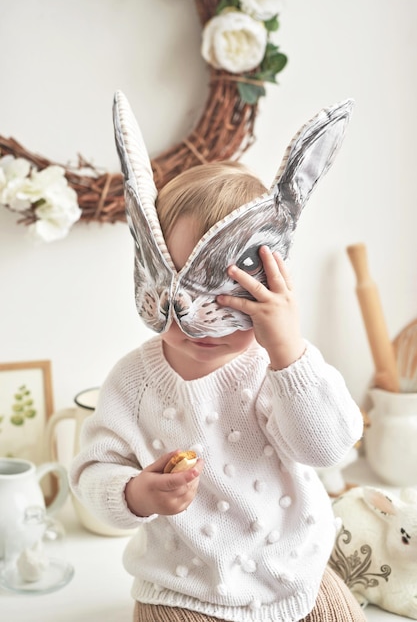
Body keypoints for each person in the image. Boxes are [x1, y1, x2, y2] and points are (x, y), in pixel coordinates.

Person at [70, 159, 366, 622]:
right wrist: (134, 494)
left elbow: (328, 448)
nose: (201, 323)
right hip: (181, 586)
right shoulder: (133, 381)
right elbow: (91, 473)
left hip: (294, 572)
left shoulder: (283, 366)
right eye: (183, 292)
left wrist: (289, 352)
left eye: (232, 297)